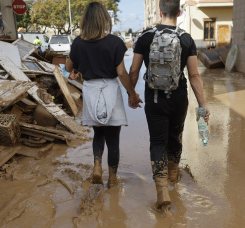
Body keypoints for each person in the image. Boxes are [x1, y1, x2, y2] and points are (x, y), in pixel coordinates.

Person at [129, 0, 210, 216]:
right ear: (179, 12)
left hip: (154, 98)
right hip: (178, 98)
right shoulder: (186, 38)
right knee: (175, 137)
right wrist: (203, 106)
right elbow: (194, 75)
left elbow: (134, 71)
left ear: (159, 11)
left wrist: (132, 94)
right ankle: (173, 179)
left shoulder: (145, 37)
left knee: (157, 142)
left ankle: (162, 190)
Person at [65, 2, 143, 188]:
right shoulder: (115, 42)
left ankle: (97, 166)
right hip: (110, 89)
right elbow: (122, 74)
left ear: (86, 21)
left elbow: (69, 68)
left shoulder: (78, 43)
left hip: (90, 90)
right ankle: (113, 179)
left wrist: (76, 62)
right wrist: (132, 93)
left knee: (98, 133)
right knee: (113, 137)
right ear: (104, 19)